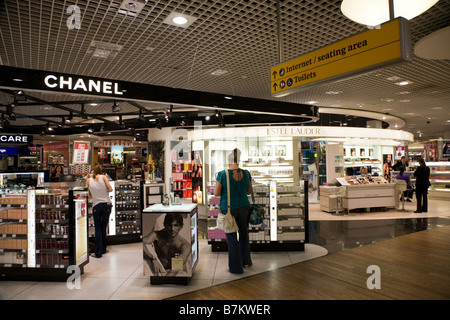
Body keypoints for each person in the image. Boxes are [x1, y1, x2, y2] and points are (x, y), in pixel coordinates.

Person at [214, 148, 252, 274]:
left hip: (229, 208)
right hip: (244, 206)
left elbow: (216, 193)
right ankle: (246, 261)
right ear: (238, 160)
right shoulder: (246, 173)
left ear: (228, 161)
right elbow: (248, 191)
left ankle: (235, 267)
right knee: (244, 234)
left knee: (231, 237)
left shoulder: (222, 174)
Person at [86, 164, 113, 258]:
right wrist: (103, 191)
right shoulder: (103, 177)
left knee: (98, 229)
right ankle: (104, 249)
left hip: (96, 206)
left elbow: (89, 196)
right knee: (103, 228)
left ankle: (98, 252)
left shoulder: (88, 180)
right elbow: (111, 189)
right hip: (106, 205)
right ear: (101, 172)